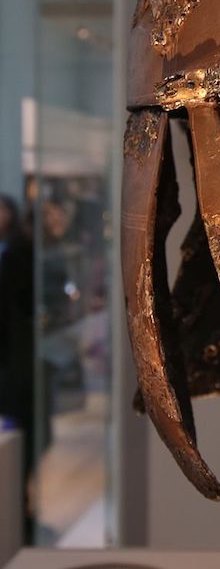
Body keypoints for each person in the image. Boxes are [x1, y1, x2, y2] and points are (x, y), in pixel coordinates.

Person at [0, 193, 45, 542]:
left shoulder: (20, 252)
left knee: (20, 438)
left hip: (17, 360)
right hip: (14, 358)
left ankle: (20, 513)